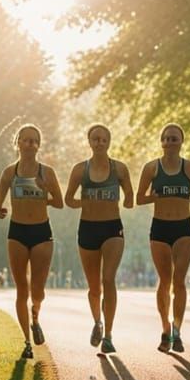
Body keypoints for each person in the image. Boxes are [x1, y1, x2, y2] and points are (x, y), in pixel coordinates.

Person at [135, 123, 190, 353]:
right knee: (164, 280)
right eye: (166, 138)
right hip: (160, 228)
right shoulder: (151, 168)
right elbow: (139, 199)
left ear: (181, 142)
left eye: (174, 138)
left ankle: (177, 330)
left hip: (183, 229)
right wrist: (155, 196)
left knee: (179, 281)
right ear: (161, 142)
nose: (169, 142)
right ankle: (165, 328)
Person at [0, 123, 64, 360]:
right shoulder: (10, 173)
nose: (30, 144)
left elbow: (59, 202)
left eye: (34, 141)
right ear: (18, 143)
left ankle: (35, 315)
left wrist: (46, 191)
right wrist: (0, 208)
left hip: (41, 232)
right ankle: (26, 341)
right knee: (21, 289)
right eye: (25, 139)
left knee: (38, 290)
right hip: (17, 232)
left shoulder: (47, 173)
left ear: (38, 145)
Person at [65, 123, 134, 355]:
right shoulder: (79, 170)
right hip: (87, 229)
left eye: (104, 139)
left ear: (109, 142)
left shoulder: (120, 169)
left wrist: (127, 200)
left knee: (108, 279)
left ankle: (109, 336)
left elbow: (130, 197)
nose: (99, 143)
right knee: (94, 288)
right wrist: (85, 202)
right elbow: (68, 199)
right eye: (95, 139)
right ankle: (97, 322)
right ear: (89, 142)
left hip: (112, 229)